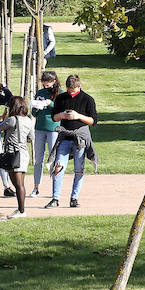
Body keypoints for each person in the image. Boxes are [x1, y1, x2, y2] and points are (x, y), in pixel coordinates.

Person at [48, 75, 99, 209]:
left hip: (80, 138)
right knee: (58, 167)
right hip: (64, 137)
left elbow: (93, 121)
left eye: (74, 90)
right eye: (69, 90)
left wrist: (78, 116)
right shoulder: (61, 98)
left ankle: (74, 198)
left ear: (79, 86)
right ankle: (55, 198)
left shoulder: (87, 99)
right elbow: (54, 117)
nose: (71, 93)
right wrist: (62, 115)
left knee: (79, 169)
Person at [0, 98, 35, 217]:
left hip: (13, 153)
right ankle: (20, 209)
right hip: (23, 153)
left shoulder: (12, 119)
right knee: (20, 183)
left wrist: (2, 118)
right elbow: (31, 138)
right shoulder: (28, 120)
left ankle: (21, 211)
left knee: (18, 185)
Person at [30, 71, 61, 197]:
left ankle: (55, 189)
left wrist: (50, 103)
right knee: (38, 159)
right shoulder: (40, 92)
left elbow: (61, 109)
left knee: (54, 158)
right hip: (39, 128)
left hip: (53, 128)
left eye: (47, 84)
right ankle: (36, 187)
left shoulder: (60, 93)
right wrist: (37, 106)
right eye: (44, 84)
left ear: (53, 81)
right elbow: (34, 113)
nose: (45, 86)